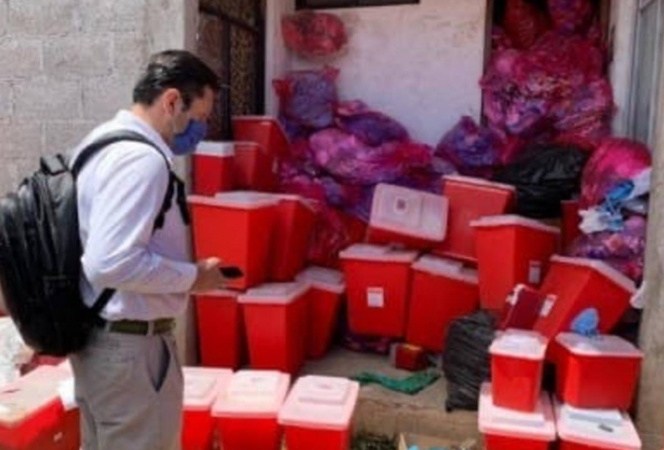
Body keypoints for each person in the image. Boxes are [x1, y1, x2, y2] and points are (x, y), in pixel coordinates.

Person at [69, 50, 227, 450]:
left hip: (103, 343)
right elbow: (110, 262)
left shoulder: (99, 143)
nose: (200, 129)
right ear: (172, 101)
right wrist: (194, 277)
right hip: (131, 352)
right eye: (199, 116)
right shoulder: (142, 160)